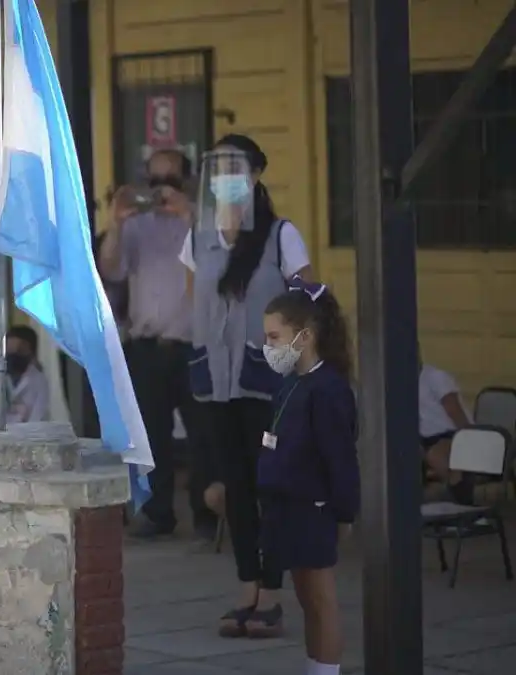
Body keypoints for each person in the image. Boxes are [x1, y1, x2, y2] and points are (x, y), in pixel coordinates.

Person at [181, 134, 315, 637]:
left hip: (269, 380)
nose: (226, 179)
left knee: (271, 485)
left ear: (256, 175)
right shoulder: (197, 238)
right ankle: (247, 585)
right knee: (235, 486)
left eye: (236, 169)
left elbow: (308, 301)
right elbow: (197, 305)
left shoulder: (281, 235)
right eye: (217, 169)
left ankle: (274, 592)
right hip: (219, 382)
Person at [99, 147, 216, 540]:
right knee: (150, 436)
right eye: (154, 182)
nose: (162, 190)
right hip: (148, 344)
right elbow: (111, 270)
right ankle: (156, 512)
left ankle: (206, 514)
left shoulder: (203, 221)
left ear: (187, 182)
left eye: (170, 181)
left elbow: (219, 264)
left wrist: (189, 215)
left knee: (204, 436)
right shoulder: (136, 225)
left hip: (196, 344)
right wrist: (116, 223)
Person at [258, 278, 359, 675]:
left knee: (321, 599)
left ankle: (326, 670)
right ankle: (314, 666)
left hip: (312, 508)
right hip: (285, 506)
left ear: (305, 335)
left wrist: (344, 512)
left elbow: (340, 458)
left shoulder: (328, 390)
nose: (269, 346)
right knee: (305, 598)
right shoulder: (289, 385)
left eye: (274, 336)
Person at [419, 353, 474, 504]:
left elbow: (455, 411)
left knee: (436, 455)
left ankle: (460, 496)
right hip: (423, 436)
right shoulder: (401, 380)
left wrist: (469, 440)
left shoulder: (435, 376)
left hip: (451, 433)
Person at [4, 325, 50, 425]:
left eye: (20, 350)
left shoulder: (39, 380)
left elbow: (37, 417)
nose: (14, 355)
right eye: (10, 350)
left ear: (31, 351)